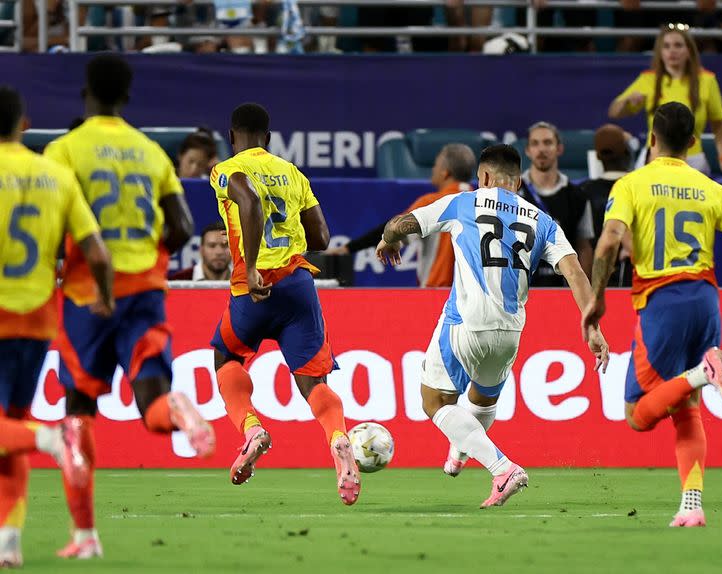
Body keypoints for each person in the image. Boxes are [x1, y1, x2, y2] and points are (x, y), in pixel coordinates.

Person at [44, 54, 215, 559]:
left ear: (86, 94)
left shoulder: (65, 149)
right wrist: (147, 258)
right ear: (127, 96)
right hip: (145, 290)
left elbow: (54, 221)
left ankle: (85, 537)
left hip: (88, 295)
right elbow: (182, 226)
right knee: (152, 400)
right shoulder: (150, 152)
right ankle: (180, 409)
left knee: (78, 412)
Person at [376, 144, 609, 508]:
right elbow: (576, 272)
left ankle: (502, 468)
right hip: (510, 332)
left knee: (434, 401)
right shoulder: (542, 220)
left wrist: (389, 239)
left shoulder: (464, 202)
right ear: (517, 182)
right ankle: (461, 449)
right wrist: (592, 327)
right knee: (482, 399)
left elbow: (402, 223)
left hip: (467, 322)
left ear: (483, 177)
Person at [583, 102, 722, 528]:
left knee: (636, 415)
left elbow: (608, 243)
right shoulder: (711, 188)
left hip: (661, 302)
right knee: (687, 409)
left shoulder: (632, 184)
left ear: (650, 139)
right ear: (692, 143)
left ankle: (704, 372)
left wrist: (598, 297)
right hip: (705, 300)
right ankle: (692, 504)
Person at [209, 103, 361, 505]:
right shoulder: (293, 174)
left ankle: (252, 428)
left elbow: (250, 203)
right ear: (269, 138)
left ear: (232, 136)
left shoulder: (226, 170)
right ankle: (339, 438)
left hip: (252, 287)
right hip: (297, 286)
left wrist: (256, 265)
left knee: (226, 357)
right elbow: (323, 237)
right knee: (314, 381)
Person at [0, 86, 111, 568]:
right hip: (40, 319)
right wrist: (104, 297)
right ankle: (8, 542)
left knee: (21, 430)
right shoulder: (56, 175)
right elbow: (97, 251)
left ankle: (52, 438)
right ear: (23, 124)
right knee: (10, 428)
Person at [327, 143, 476, 288]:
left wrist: (349, 248)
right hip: (477, 298)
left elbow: (396, 228)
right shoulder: (483, 202)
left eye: (436, 165)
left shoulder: (432, 202)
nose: (433, 169)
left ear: (445, 172)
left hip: (438, 294)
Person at [608, 25, 722, 176]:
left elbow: (719, 124)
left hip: (693, 160)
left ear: (689, 50)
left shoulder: (707, 80)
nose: (672, 51)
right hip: (654, 158)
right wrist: (626, 101)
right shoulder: (648, 79)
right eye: (666, 46)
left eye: (678, 45)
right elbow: (614, 112)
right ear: (660, 52)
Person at [520, 121, 595, 281]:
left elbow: (584, 247)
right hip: (520, 288)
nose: (541, 149)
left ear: (559, 148)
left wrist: (584, 291)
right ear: (527, 150)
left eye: (547, 143)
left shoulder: (577, 196)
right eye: (535, 144)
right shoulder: (513, 193)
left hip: (562, 288)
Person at [579, 124, 633, 285]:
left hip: (595, 280)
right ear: (626, 152)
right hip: (634, 282)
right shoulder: (641, 188)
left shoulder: (583, 192)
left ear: (597, 156)